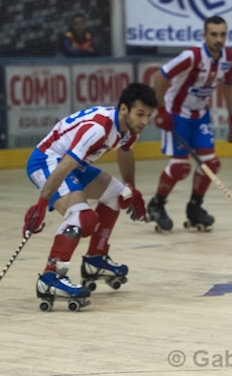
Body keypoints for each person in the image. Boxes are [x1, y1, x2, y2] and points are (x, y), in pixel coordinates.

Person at [22, 83, 157, 310]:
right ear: (124, 109)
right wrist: (42, 203)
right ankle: (50, 277)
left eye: (149, 116)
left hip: (74, 165)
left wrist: (131, 188)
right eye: (140, 114)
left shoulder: (129, 130)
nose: (144, 121)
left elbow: (125, 152)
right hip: (47, 162)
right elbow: (66, 164)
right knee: (81, 218)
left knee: (120, 196)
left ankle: (95, 259)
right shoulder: (98, 128)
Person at [147, 15, 232, 232]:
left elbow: (229, 85)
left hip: (200, 115)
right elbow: (159, 77)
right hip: (176, 114)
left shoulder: (228, 58)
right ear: (204, 35)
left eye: (223, 34)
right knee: (180, 168)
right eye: (214, 34)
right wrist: (160, 110)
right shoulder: (192, 56)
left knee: (211, 164)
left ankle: (194, 207)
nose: (219, 39)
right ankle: (157, 204)